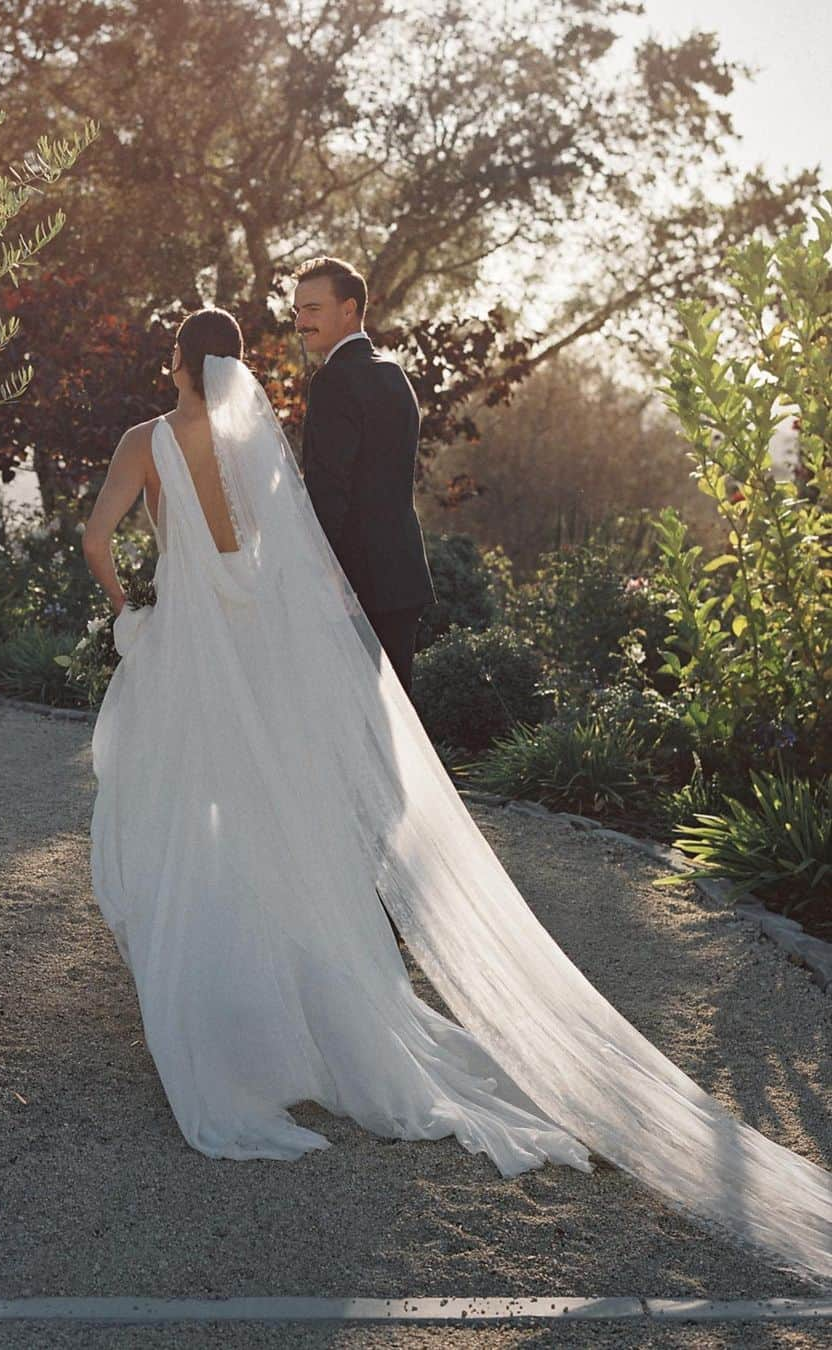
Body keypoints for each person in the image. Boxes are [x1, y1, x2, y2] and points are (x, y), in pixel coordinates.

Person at [83, 307, 832, 1288]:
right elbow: (285, 558)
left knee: (184, 816)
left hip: (186, 648)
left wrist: (128, 607)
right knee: (276, 821)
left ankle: (215, 1015)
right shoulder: (249, 443)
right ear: (233, 370)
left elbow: (99, 538)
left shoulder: (145, 442)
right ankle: (288, 1011)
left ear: (176, 361)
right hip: (256, 648)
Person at [293, 255, 436, 700]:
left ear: (349, 309)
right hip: (401, 575)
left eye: (313, 309)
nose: (300, 323)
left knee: (351, 723)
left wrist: (319, 572)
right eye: (297, 311)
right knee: (394, 727)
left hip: (352, 582)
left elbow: (328, 488)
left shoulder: (334, 381)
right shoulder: (394, 376)